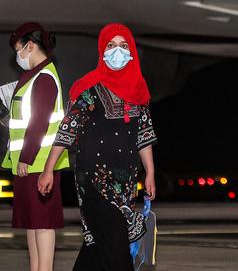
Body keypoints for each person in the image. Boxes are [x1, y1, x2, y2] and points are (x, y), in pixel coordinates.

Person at [38, 23, 157, 271]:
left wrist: (151, 173)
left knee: (96, 249)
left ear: (132, 51)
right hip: (95, 180)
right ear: (102, 50)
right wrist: (49, 169)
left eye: (123, 46)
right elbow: (67, 131)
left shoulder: (139, 91)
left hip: (125, 181)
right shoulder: (89, 89)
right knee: (117, 251)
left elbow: (143, 136)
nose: (118, 51)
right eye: (111, 46)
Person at [2, 22, 68, 271]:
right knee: (32, 224)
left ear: (30, 46)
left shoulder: (45, 78)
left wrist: (26, 158)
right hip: (29, 164)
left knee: (43, 225)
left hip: (39, 164)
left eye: (18, 49)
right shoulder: (30, 78)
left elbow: (40, 123)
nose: (17, 56)